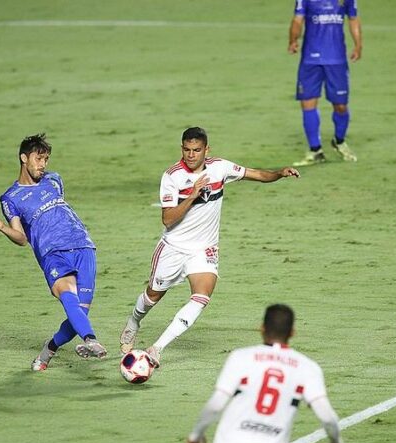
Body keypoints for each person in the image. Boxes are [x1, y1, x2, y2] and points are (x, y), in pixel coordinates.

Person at [119, 127, 300, 368]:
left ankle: (157, 348)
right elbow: (168, 219)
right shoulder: (171, 177)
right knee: (152, 297)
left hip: (203, 249)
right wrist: (192, 195)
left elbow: (255, 174)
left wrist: (279, 173)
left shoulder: (220, 168)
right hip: (173, 248)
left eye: (196, 150)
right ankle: (133, 323)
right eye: (186, 150)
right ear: (181, 148)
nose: (191, 155)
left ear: (207, 150)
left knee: (201, 297)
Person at [0, 133, 107, 371]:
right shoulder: (11, 197)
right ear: (23, 158)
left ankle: (48, 350)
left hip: (83, 245)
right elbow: (21, 238)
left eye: (46, 159)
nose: (43, 164)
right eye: (38, 159)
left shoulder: (54, 180)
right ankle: (90, 340)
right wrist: (1, 226)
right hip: (52, 252)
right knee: (67, 294)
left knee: (79, 314)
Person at [186, 304, 344, 443]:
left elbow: (216, 404)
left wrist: (197, 434)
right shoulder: (307, 367)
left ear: (261, 328)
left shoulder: (241, 357)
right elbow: (327, 417)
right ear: (292, 333)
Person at [288, 0, 362, 165]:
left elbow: (353, 18)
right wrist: (293, 39)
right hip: (310, 59)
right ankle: (315, 150)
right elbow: (297, 20)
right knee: (307, 103)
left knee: (341, 105)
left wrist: (358, 44)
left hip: (336, 60)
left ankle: (339, 141)